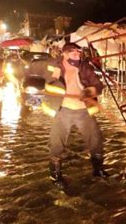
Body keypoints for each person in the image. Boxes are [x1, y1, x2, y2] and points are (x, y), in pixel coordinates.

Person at [42, 42, 108, 188]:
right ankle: (55, 176)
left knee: (96, 140)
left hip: (83, 110)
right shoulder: (55, 67)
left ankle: (98, 170)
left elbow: (98, 86)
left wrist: (88, 92)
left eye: (79, 54)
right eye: (74, 54)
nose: (77, 57)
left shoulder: (85, 67)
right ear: (65, 54)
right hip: (63, 110)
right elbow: (48, 83)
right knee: (57, 143)